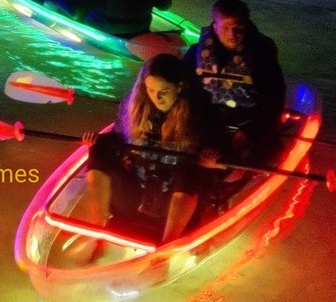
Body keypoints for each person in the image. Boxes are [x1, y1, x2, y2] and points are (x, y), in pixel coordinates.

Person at [80, 53, 227, 245]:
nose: (156, 97)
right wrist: (98, 142)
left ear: (180, 87)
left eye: (164, 91)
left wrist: (214, 163)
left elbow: (229, 161)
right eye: (150, 90)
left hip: (174, 199)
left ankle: (167, 246)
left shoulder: (203, 113)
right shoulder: (134, 107)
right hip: (137, 191)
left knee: (189, 169)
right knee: (99, 149)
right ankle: (96, 230)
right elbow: (117, 137)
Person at [183, 0, 286, 161]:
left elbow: (274, 99)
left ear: (246, 24)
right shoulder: (195, 54)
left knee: (263, 153)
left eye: (238, 27)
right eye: (225, 27)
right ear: (215, 27)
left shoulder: (261, 56)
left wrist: (249, 131)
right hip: (209, 123)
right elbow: (186, 93)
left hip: (249, 121)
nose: (232, 34)